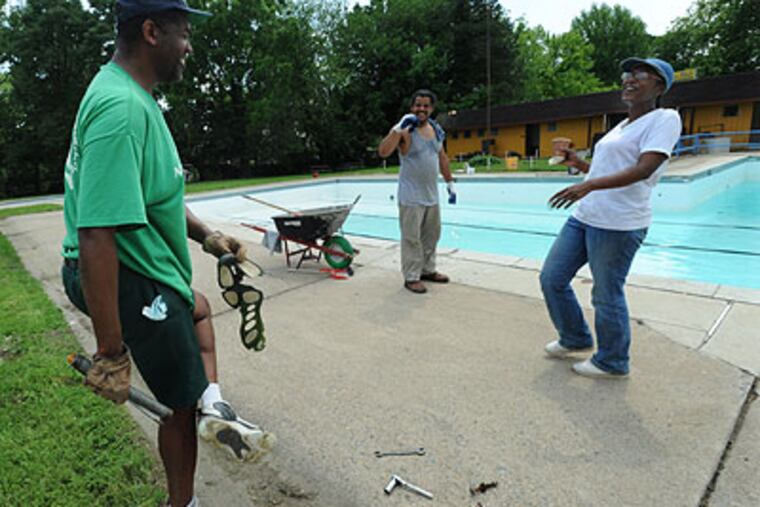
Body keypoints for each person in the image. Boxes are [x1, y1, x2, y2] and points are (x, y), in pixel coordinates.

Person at [60, 2, 272, 505]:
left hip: (143, 266)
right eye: (183, 33)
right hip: (126, 274)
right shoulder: (122, 110)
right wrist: (110, 353)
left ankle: (213, 404)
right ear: (151, 31)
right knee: (178, 405)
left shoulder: (133, 97)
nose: (190, 46)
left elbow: (154, 196)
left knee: (197, 308)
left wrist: (206, 236)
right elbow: (95, 235)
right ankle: (183, 501)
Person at [540, 57, 682, 378]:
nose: (630, 79)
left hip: (619, 224)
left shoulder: (665, 118)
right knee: (552, 278)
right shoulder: (622, 125)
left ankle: (613, 361)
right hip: (586, 216)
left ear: (660, 86)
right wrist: (578, 164)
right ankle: (575, 337)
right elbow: (607, 170)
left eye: (641, 75)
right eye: (627, 74)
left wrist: (588, 185)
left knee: (606, 292)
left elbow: (644, 169)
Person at [378, 89, 457, 294]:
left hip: (431, 195)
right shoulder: (405, 130)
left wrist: (450, 183)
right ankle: (412, 276)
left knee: (431, 236)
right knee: (412, 238)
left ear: (431, 108)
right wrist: (396, 128)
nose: (421, 109)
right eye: (418, 105)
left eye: (426, 105)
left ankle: (427, 270)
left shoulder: (436, 130)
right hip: (411, 197)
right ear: (412, 107)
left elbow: (442, 158)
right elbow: (383, 152)